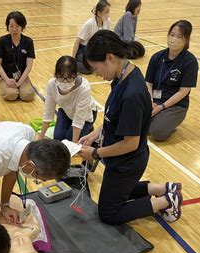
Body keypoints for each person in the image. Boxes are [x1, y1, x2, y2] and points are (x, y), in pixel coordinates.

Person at [78, 30, 183, 225]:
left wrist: (95, 153)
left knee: (108, 213)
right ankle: (162, 188)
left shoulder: (132, 94)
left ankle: (166, 200)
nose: (96, 73)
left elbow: (130, 143)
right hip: (120, 159)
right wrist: (96, 132)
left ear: (109, 58)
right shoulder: (122, 76)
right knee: (117, 194)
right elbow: (114, 117)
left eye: (96, 67)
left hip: (127, 161)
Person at [145, 20, 198, 141]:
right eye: (172, 34)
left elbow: (183, 91)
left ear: (186, 40)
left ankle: (167, 122)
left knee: (157, 133)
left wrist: (161, 107)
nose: (173, 39)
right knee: (129, 118)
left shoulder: (190, 62)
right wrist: (149, 101)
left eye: (179, 36)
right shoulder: (157, 57)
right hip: (154, 101)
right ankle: (159, 120)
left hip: (175, 105)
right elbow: (148, 83)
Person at [38, 56, 97, 143]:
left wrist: (73, 146)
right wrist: (41, 136)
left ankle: (89, 128)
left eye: (69, 78)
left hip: (86, 116)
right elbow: (48, 112)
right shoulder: (51, 84)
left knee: (68, 141)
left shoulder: (84, 88)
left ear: (76, 76)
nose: (65, 82)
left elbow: (79, 120)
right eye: (61, 77)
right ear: (55, 75)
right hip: (67, 112)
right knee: (58, 138)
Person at [0, 11, 35, 101]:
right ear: (7, 27)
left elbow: (29, 65)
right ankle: (7, 87)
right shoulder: (2, 41)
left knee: (28, 95)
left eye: (17, 26)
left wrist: (19, 83)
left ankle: (21, 89)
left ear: (23, 27)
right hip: (5, 77)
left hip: (22, 77)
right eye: (11, 26)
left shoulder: (28, 42)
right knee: (11, 95)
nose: (14, 29)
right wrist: (7, 80)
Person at [72, 1, 111, 74]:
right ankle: (72, 64)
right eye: (106, 12)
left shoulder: (107, 21)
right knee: (89, 68)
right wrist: (72, 59)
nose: (108, 15)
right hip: (84, 51)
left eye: (109, 12)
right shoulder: (89, 24)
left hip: (96, 51)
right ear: (99, 13)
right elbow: (77, 41)